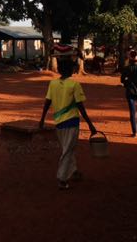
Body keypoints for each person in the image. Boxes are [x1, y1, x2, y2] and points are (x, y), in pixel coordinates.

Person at [39, 59, 100, 189]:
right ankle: (62, 178)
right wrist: (90, 124)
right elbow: (80, 106)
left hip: (59, 123)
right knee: (67, 149)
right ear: (70, 70)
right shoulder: (74, 85)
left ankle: (73, 171)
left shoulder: (53, 84)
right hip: (71, 121)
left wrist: (42, 119)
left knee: (68, 148)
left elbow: (47, 102)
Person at [121, 51, 137, 135]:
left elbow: (122, 80)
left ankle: (135, 131)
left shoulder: (127, 68)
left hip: (130, 91)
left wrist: (127, 83)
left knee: (132, 112)